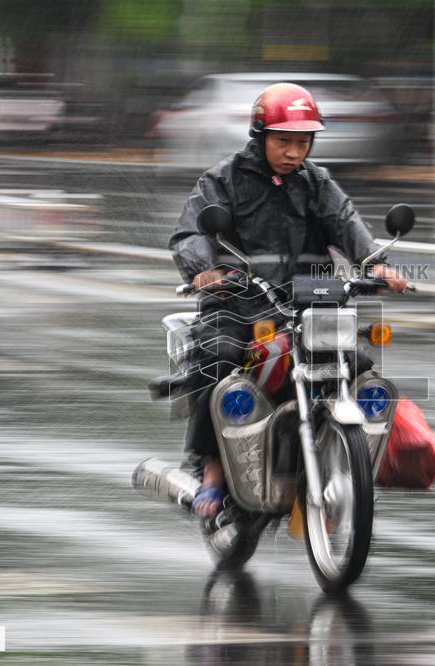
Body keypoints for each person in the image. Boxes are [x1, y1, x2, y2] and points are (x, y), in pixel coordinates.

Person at [168, 82, 407, 518]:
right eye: (284, 141)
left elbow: (347, 224)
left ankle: (348, 455)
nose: (294, 152)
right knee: (219, 359)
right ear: (260, 137)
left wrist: (377, 266)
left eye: (303, 142)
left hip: (307, 305)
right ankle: (211, 471)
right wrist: (204, 270)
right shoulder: (222, 180)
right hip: (237, 304)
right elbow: (190, 234)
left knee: (358, 364)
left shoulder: (316, 183)